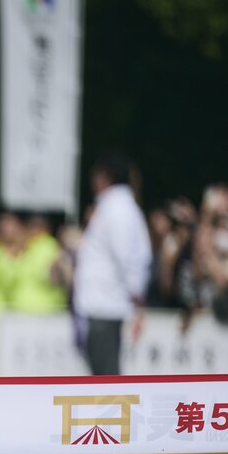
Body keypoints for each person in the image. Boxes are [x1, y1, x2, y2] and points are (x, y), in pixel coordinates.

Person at [73, 154, 152, 375]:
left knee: (106, 377)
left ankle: (112, 411)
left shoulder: (117, 210)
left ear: (105, 177)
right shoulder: (116, 207)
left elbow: (128, 258)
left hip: (105, 304)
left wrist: (136, 296)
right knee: (101, 372)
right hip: (102, 303)